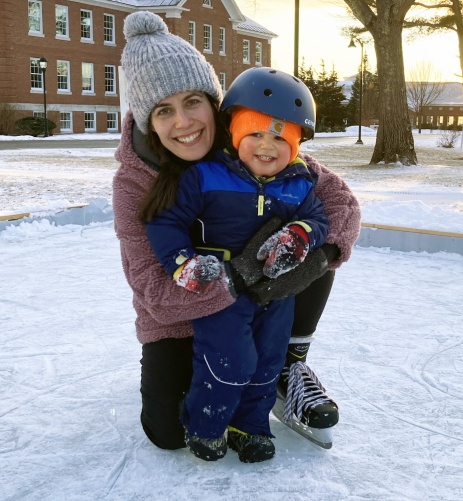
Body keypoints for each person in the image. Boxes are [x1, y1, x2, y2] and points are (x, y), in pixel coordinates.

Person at [113, 11, 361, 456]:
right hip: (178, 318)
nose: (184, 122)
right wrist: (240, 275)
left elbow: (340, 204)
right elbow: (152, 289)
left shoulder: (253, 143)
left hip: (266, 307)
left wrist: (315, 255)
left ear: (216, 102)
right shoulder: (135, 182)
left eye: (193, 102)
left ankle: (288, 366)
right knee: (168, 434)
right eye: (164, 110)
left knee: (310, 234)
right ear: (149, 121)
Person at [144, 68, 328, 463]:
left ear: (296, 145)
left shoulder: (300, 182)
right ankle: (207, 425)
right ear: (235, 133)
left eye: (281, 137)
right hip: (220, 290)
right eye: (255, 133)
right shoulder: (206, 175)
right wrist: (184, 263)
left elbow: (320, 220)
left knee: (267, 360)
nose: (267, 146)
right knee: (231, 360)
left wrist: (299, 234)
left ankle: (251, 427)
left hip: (275, 294)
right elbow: (166, 221)